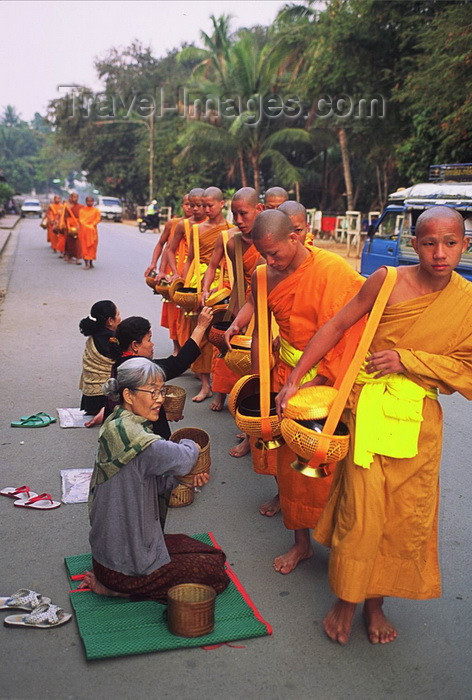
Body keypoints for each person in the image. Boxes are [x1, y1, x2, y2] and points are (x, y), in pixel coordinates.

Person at [276, 206, 472, 644]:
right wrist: (295, 376)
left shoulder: (467, 302)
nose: (440, 253)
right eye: (428, 243)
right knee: (361, 512)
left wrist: (410, 360)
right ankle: (346, 600)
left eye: (451, 243)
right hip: (367, 413)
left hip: (419, 424)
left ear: (466, 244)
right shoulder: (387, 280)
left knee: (402, 517)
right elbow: (336, 324)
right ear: (412, 244)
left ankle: (377, 603)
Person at [249, 209, 363, 572]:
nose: (270, 262)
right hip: (286, 377)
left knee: (331, 464)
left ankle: (340, 544)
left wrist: (323, 378)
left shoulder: (333, 270)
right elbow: (261, 330)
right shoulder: (263, 276)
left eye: (275, 254)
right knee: (291, 470)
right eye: (263, 255)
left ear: (295, 239)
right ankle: (302, 544)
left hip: (329, 381)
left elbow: (352, 330)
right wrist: (260, 382)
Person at [80, 357, 229, 602]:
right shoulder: (143, 443)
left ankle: (117, 582)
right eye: (153, 392)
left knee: (200, 548)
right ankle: (122, 590)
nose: (160, 398)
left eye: (162, 391)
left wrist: (185, 481)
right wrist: (189, 441)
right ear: (128, 395)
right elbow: (186, 458)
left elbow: (147, 481)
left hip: (105, 556)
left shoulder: (116, 422)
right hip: (123, 571)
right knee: (214, 570)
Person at [106, 306, 213, 439]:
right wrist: (201, 327)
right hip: (142, 434)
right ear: (135, 345)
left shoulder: (121, 361)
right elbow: (178, 363)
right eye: (149, 340)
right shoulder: (140, 369)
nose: (152, 344)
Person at [180, 186, 231, 403]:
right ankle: (204, 385)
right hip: (202, 284)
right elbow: (191, 258)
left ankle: (220, 390)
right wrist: (183, 284)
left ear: (222, 204)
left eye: (210, 205)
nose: (206, 209)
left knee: (219, 338)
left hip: (226, 286)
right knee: (199, 335)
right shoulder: (197, 229)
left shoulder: (232, 230)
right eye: (203, 205)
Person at [79, 300, 121, 416]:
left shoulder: (96, 334)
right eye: (118, 315)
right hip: (103, 397)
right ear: (110, 321)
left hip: (91, 399)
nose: (120, 318)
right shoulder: (110, 339)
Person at [78, 197, 101, 269]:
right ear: (86, 202)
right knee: (84, 247)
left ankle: (91, 262)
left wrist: (92, 225)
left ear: (93, 202)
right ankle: (86, 264)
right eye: (88, 201)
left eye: (91, 201)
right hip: (84, 231)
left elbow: (98, 219)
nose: (89, 203)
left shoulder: (96, 211)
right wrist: (87, 226)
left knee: (92, 246)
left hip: (93, 231)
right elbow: (81, 220)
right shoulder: (82, 210)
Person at [63, 192, 82, 264]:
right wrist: (65, 224)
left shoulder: (80, 206)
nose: (75, 199)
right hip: (69, 225)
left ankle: (78, 257)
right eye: (74, 197)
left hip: (77, 225)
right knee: (69, 241)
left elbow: (82, 215)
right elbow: (64, 216)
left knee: (78, 242)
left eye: (76, 197)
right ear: (70, 197)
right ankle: (69, 255)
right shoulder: (67, 206)